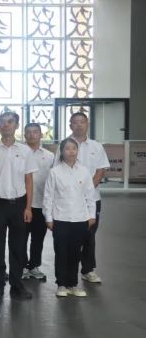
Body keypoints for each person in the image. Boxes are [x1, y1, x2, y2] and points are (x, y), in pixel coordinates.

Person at [0, 111, 37, 300]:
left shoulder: (25, 151)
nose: (6, 125)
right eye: (2, 122)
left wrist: (28, 207)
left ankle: (17, 285)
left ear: (16, 126)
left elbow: (29, 180)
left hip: (19, 203)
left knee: (18, 246)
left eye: (10, 122)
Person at [44, 138, 96, 297]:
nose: (71, 151)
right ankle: (61, 285)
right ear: (62, 151)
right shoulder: (55, 172)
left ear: (77, 151)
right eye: (67, 148)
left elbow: (90, 195)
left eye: (74, 148)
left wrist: (91, 215)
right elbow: (48, 196)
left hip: (80, 218)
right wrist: (48, 218)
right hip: (61, 218)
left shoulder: (84, 171)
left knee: (75, 253)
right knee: (61, 252)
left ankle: (73, 284)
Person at [64, 111, 110, 284]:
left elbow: (100, 170)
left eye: (82, 121)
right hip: (68, 200)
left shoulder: (96, 147)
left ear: (87, 124)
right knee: (70, 236)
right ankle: (68, 271)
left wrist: (87, 190)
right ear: (70, 125)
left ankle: (88, 270)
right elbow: (58, 170)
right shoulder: (64, 145)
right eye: (75, 122)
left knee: (89, 235)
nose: (79, 125)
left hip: (92, 199)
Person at [22, 123, 55, 282]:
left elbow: (54, 180)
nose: (32, 135)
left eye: (35, 132)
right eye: (28, 132)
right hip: (23, 204)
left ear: (41, 135)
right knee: (21, 237)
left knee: (38, 238)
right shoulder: (20, 153)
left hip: (41, 204)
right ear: (24, 135)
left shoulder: (50, 156)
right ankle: (22, 267)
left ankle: (34, 266)